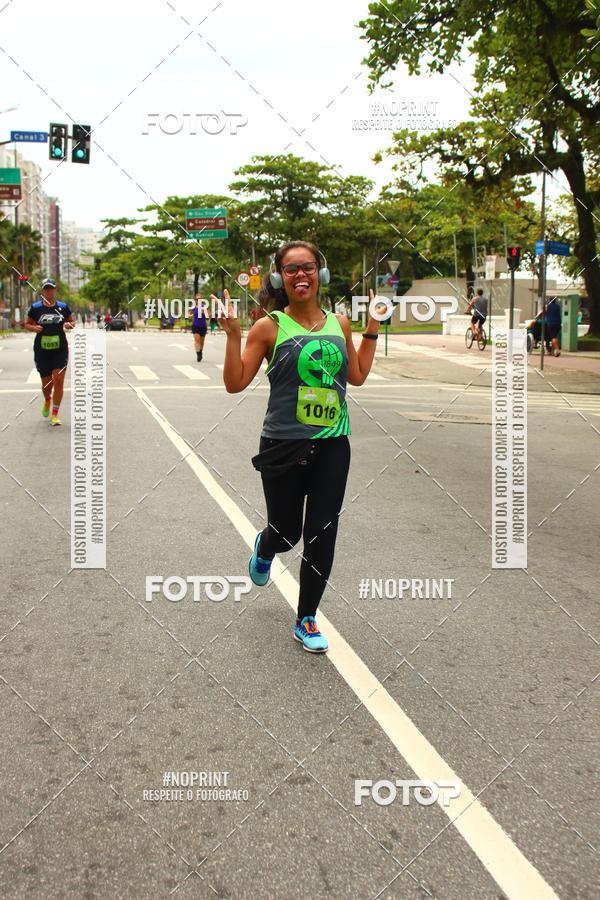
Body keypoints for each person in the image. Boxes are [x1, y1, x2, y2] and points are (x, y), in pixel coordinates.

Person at [217, 240, 381, 654]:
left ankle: (306, 616)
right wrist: (234, 335)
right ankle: (266, 545)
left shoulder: (340, 324)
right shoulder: (269, 327)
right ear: (279, 278)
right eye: (291, 270)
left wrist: (373, 330)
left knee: (322, 533)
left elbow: (357, 376)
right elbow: (235, 383)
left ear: (319, 273)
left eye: (307, 267)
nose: (300, 275)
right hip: (283, 445)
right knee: (286, 532)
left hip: (332, 444)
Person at [23, 278, 75, 426]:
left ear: (55, 290)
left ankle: (55, 414)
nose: (49, 291)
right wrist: (34, 328)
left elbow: (72, 321)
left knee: (58, 380)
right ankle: (47, 400)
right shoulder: (36, 308)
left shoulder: (63, 307)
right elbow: (26, 324)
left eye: (51, 288)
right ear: (42, 291)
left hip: (60, 350)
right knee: (47, 384)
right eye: (46, 289)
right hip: (42, 350)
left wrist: (68, 324)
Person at [191, 294, 208, 361]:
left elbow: (208, 317)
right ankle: (198, 354)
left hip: (203, 326)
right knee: (197, 340)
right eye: (197, 299)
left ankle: (200, 351)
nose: (198, 300)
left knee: (202, 341)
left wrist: (204, 313)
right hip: (195, 326)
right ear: (195, 300)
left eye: (199, 299)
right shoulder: (193, 307)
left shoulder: (204, 307)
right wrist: (189, 315)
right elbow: (189, 314)